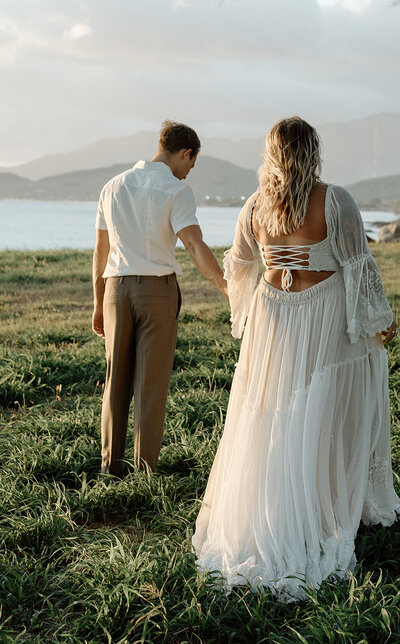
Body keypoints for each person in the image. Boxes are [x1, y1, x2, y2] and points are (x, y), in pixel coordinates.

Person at [192, 116, 400, 602]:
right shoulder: (335, 200)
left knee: (273, 412)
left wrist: (251, 303)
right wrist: (378, 321)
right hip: (323, 318)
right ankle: (322, 506)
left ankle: (279, 503)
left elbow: (240, 264)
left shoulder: (254, 205)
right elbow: (357, 264)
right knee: (327, 409)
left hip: (274, 320)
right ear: (312, 150)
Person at [92, 120, 227, 476]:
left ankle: (110, 468)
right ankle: (144, 471)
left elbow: (100, 251)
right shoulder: (175, 190)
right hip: (157, 292)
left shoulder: (113, 186)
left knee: (115, 380)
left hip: (115, 289)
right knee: (150, 385)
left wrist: (97, 303)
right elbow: (195, 244)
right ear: (186, 153)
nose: (187, 175)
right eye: (191, 165)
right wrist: (226, 286)